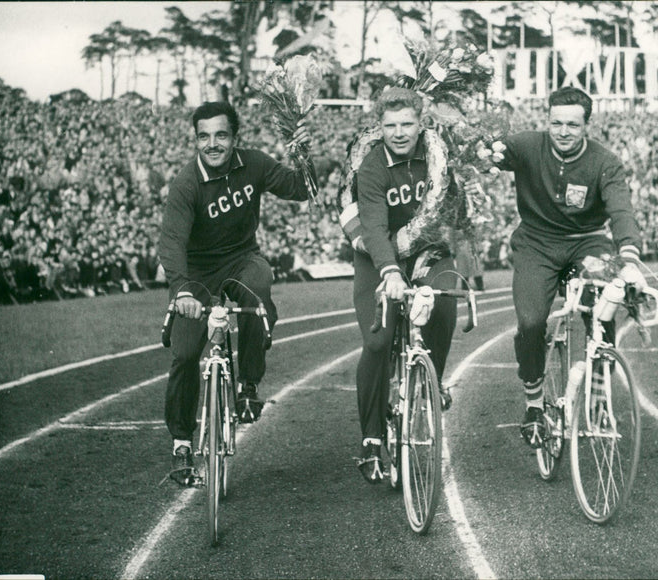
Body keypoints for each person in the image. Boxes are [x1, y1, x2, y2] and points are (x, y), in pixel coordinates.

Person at [158, 101, 315, 485]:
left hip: (243, 259)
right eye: (204, 136)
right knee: (184, 353)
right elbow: (172, 240)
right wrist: (181, 291)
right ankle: (181, 442)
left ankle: (247, 386)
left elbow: (299, 189)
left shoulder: (254, 163)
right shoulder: (186, 183)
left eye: (221, 135)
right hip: (196, 272)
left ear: (235, 137)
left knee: (259, 291)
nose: (212, 144)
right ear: (196, 140)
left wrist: (304, 155)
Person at [488, 87, 646, 448]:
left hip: (587, 242)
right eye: (556, 123)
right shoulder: (527, 145)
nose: (563, 131)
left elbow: (622, 211)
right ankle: (533, 402)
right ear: (547, 121)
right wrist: (481, 151)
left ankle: (600, 389)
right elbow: (486, 153)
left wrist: (630, 257)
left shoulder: (605, 162)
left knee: (603, 306)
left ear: (587, 125)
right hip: (536, 243)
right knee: (530, 321)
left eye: (572, 125)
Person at [352, 87, 465, 483]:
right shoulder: (371, 168)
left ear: (421, 124)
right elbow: (375, 228)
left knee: (445, 298)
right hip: (379, 258)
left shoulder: (437, 155)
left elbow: (453, 209)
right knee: (379, 339)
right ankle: (370, 438)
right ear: (379, 127)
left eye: (406, 124)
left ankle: (431, 379)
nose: (399, 133)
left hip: (428, 250)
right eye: (390, 126)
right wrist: (390, 272)